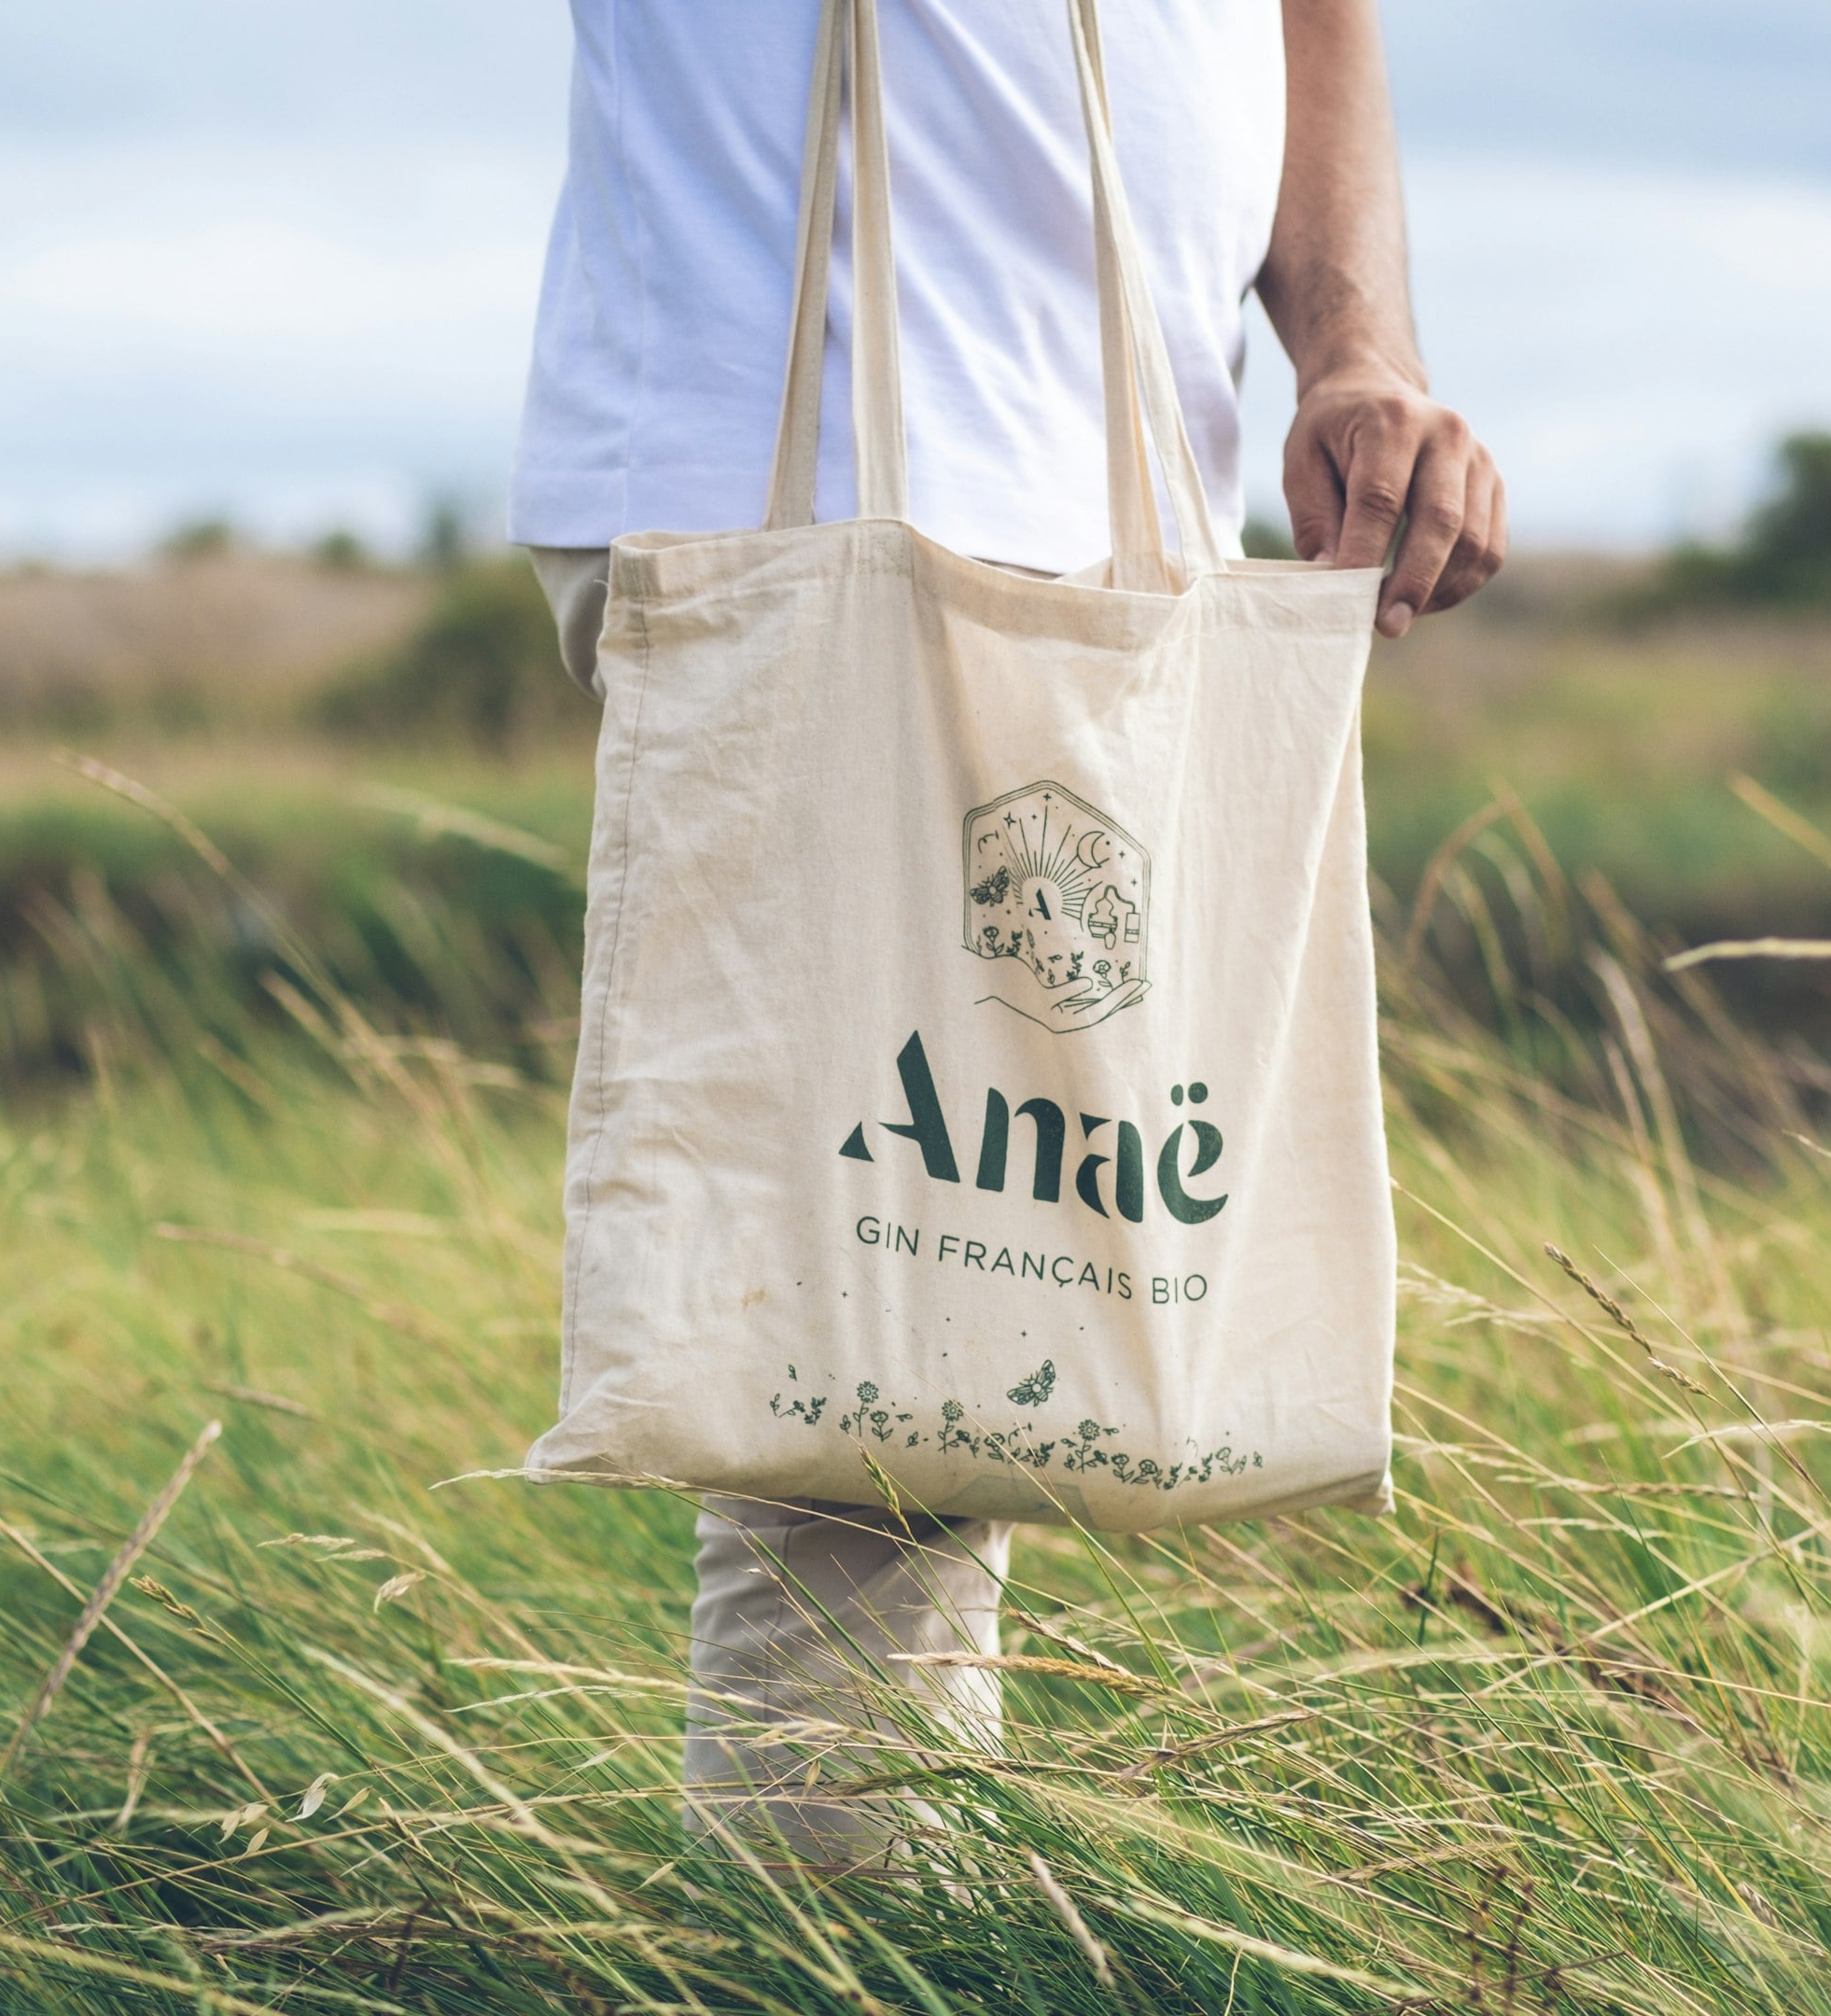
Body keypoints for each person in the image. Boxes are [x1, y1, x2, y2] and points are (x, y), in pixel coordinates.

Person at [506, 0, 1504, 1868]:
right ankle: (857, 1951)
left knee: (917, 1379)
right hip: (799, 469)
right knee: (870, 1404)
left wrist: (1351, 347)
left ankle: (864, 1934)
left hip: (1125, 473)